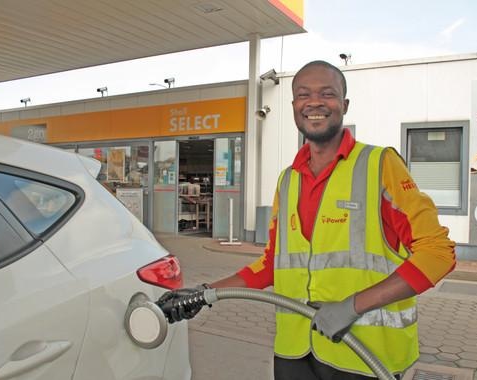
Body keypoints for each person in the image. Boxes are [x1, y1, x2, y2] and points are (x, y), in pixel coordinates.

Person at [159, 60, 456, 379]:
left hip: (365, 358)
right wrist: (203, 292)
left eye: (326, 93)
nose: (314, 102)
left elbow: (438, 253)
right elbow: (273, 264)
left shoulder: (379, 166)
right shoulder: (288, 181)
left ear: (344, 104)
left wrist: (353, 306)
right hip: (295, 353)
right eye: (303, 94)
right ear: (293, 106)